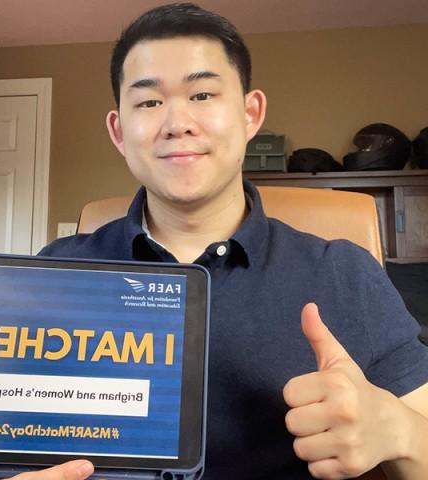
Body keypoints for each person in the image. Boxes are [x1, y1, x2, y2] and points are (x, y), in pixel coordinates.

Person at [24, 3, 428, 479]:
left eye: (202, 94)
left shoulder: (343, 273)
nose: (177, 122)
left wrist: (396, 429)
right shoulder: (50, 274)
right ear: (118, 130)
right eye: (148, 101)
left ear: (250, 113)